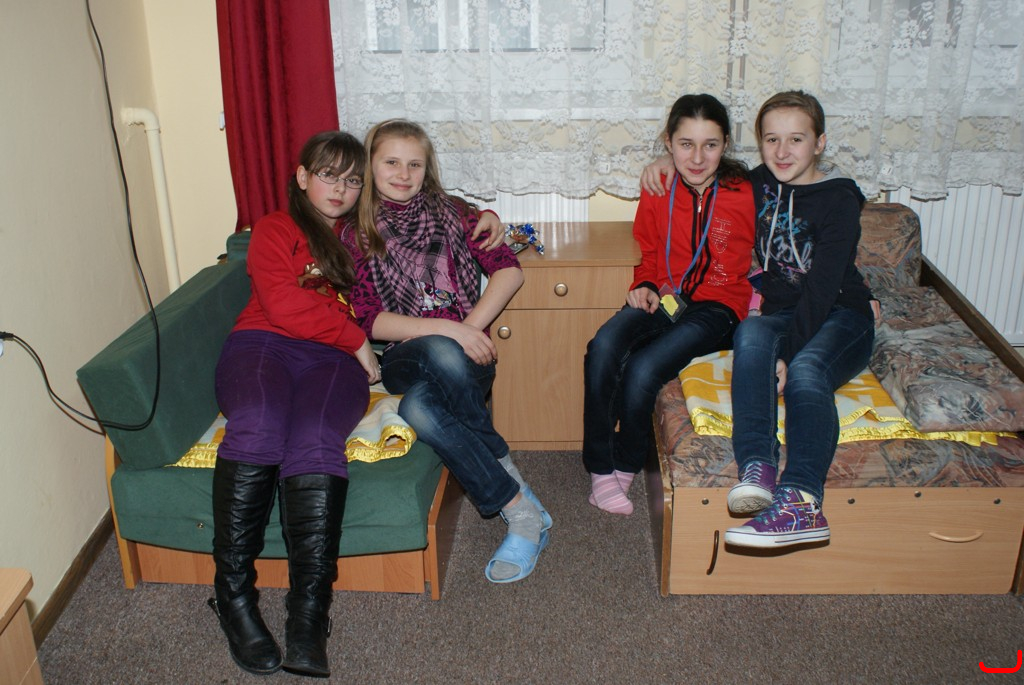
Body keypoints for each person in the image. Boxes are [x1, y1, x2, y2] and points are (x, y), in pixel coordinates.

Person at [645, 90, 876, 548]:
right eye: (772, 139)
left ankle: (802, 502)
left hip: (842, 313)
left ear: (820, 143)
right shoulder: (758, 184)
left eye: (796, 139)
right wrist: (665, 162)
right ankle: (758, 469)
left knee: (806, 373)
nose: (782, 151)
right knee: (750, 331)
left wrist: (787, 352)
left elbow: (822, 289)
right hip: (784, 311)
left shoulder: (839, 200)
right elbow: (703, 168)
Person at [341, 119, 551, 584]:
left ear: (428, 168)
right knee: (439, 349)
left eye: (414, 164)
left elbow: (509, 269)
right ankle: (509, 474)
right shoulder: (355, 232)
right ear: (370, 165)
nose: (403, 174)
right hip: (404, 356)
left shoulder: (456, 213)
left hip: (468, 360)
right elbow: (368, 319)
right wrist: (449, 330)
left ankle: (521, 512)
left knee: (419, 409)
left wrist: (469, 330)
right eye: (391, 162)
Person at [209, 131, 379, 678]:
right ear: (302, 177)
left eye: (352, 180)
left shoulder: (363, 237)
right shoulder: (276, 228)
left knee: (314, 438)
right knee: (259, 423)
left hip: (331, 365)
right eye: (328, 175)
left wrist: (485, 215)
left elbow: (431, 205)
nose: (340, 189)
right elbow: (281, 303)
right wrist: (355, 338)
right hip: (262, 344)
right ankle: (234, 597)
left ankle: (309, 614)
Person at [583, 94, 755, 515]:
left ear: (726, 144)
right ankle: (600, 468)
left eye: (710, 145)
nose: (697, 158)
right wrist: (643, 283)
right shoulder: (658, 187)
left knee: (644, 368)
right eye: (685, 144)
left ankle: (626, 462)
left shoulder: (747, 191)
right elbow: (648, 249)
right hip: (666, 295)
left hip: (719, 307)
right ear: (668, 142)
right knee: (603, 346)